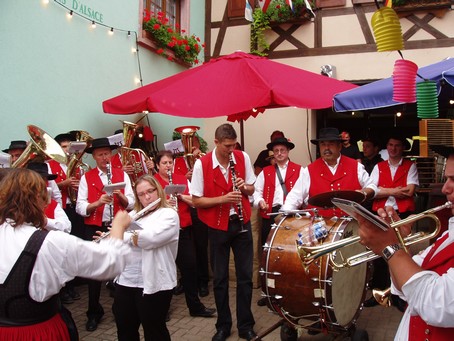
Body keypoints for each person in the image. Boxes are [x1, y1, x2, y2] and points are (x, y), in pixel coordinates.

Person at [0, 168, 131, 341]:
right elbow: (110, 263)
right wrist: (118, 226)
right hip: (38, 332)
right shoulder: (51, 242)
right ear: (37, 199)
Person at [356, 144, 454, 340]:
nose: (445, 188)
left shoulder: (409, 165)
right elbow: (411, 275)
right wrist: (399, 245)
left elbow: (438, 306)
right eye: (447, 179)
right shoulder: (447, 234)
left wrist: (391, 248)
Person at [191, 123, 257, 341]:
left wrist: (244, 187)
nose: (231, 150)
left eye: (234, 145)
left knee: (245, 277)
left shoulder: (242, 157)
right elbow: (196, 200)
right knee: (219, 279)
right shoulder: (202, 164)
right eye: (227, 146)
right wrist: (223, 199)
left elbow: (251, 188)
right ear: (216, 142)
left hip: (242, 222)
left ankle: (246, 325)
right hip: (217, 227)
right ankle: (223, 325)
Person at [75, 137, 135, 332]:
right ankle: (94, 312)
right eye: (100, 154)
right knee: (94, 272)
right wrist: (98, 203)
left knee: (122, 269)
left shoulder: (121, 174)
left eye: (107, 154)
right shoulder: (87, 177)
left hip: (116, 226)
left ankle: (123, 311)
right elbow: (80, 206)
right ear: (94, 157)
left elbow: (133, 203)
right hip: (94, 226)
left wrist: (121, 196)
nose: (104, 157)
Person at [111, 174, 180, 341]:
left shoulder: (169, 214)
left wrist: (119, 233)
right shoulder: (133, 214)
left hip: (154, 283)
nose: (147, 197)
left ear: (158, 191)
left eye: (150, 191)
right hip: (126, 280)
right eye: (141, 194)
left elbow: (149, 239)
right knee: (125, 330)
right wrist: (111, 236)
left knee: (154, 331)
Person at [153, 150, 216, 317]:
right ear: (157, 165)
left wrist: (181, 196)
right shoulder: (153, 182)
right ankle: (161, 309)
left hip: (183, 229)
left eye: (170, 163)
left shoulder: (181, 178)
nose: (168, 166)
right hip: (163, 232)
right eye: (164, 163)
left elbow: (194, 202)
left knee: (190, 268)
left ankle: (195, 307)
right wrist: (164, 201)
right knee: (164, 270)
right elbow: (149, 205)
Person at [365, 133, 419, 308]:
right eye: (390, 145)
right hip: (381, 213)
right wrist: (395, 191)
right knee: (380, 253)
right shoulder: (379, 166)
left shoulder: (410, 166)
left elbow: (410, 191)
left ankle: (399, 294)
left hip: (401, 214)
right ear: (386, 147)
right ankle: (379, 290)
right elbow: (373, 190)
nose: (393, 148)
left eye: (397, 145)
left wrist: (384, 190)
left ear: (402, 148)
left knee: (401, 253)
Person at [282, 127, 376, 216]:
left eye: (331, 144)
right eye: (323, 144)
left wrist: (363, 192)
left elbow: (372, 187)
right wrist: (285, 214)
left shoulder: (356, 166)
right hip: (319, 228)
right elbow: (294, 197)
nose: (326, 148)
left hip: (352, 226)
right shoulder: (309, 170)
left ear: (339, 146)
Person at [253, 137, 301, 307]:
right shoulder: (265, 171)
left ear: (288, 152)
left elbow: (305, 193)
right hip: (270, 216)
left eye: (283, 150)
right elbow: (256, 192)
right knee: (269, 256)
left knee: (290, 256)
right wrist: (260, 202)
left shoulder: (300, 170)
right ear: (273, 153)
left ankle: (290, 290)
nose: (279, 153)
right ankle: (268, 292)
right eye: (277, 151)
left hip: (291, 218)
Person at [47, 132, 85, 304]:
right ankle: (65, 287)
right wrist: (65, 184)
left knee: (75, 245)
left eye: (69, 147)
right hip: (62, 209)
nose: (67, 150)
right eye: (63, 147)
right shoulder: (50, 166)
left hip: (75, 208)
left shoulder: (77, 165)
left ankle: (75, 282)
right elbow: (52, 190)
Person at [173, 133, 210, 297]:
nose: (190, 146)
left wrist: (196, 169)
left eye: (192, 142)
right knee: (185, 247)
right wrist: (184, 177)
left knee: (201, 245)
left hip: (199, 206)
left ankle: (203, 281)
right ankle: (187, 281)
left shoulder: (204, 160)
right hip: (184, 207)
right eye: (186, 142)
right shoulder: (176, 162)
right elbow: (172, 180)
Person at [26, 162, 71, 234]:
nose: (41, 183)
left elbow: (67, 227)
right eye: (36, 179)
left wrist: (45, 222)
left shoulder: (53, 204)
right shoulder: (17, 203)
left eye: (44, 179)